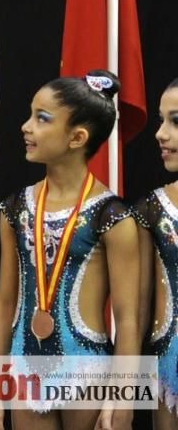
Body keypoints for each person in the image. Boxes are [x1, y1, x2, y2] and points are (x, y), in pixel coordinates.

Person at [0, 71, 139, 430]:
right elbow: (4, 304)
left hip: (87, 373)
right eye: (30, 114)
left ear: (77, 137)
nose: (26, 126)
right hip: (26, 371)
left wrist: (122, 396)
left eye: (42, 118)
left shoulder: (111, 216)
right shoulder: (15, 209)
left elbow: (127, 317)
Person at [133, 78, 178, 428]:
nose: (160, 133)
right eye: (161, 120)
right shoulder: (153, 208)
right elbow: (137, 311)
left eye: (175, 121)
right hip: (169, 374)